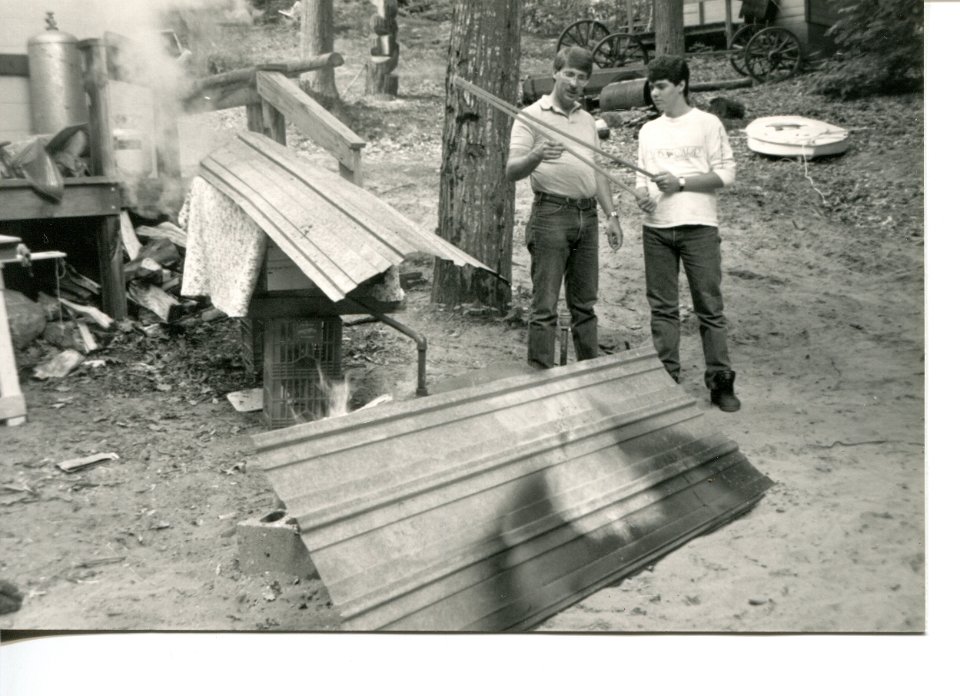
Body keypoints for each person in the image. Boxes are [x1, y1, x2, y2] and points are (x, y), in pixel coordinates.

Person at [506, 46, 624, 369]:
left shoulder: (587, 120)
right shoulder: (530, 116)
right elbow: (512, 170)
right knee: (544, 306)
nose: (574, 82)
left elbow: (597, 169)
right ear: (556, 72)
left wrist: (611, 216)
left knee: (585, 305)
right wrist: (537, 155)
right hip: (551, 215)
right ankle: (541, 380)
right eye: (569, 74)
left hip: (587, 217)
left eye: (582, 77)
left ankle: (591, 375)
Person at [635, 55, 740, 412]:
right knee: (662, 308)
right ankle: (668, 379)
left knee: (709, 307)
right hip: (657, 230)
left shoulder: (707, 124)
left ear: (681, 85)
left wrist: (679, 182)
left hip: (699, 228)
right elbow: (643, 180)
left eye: (661, 86)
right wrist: (644, 198)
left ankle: (721, 382)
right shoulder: (648, 130)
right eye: (652, 86)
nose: (655, 93)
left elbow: (726, 175)